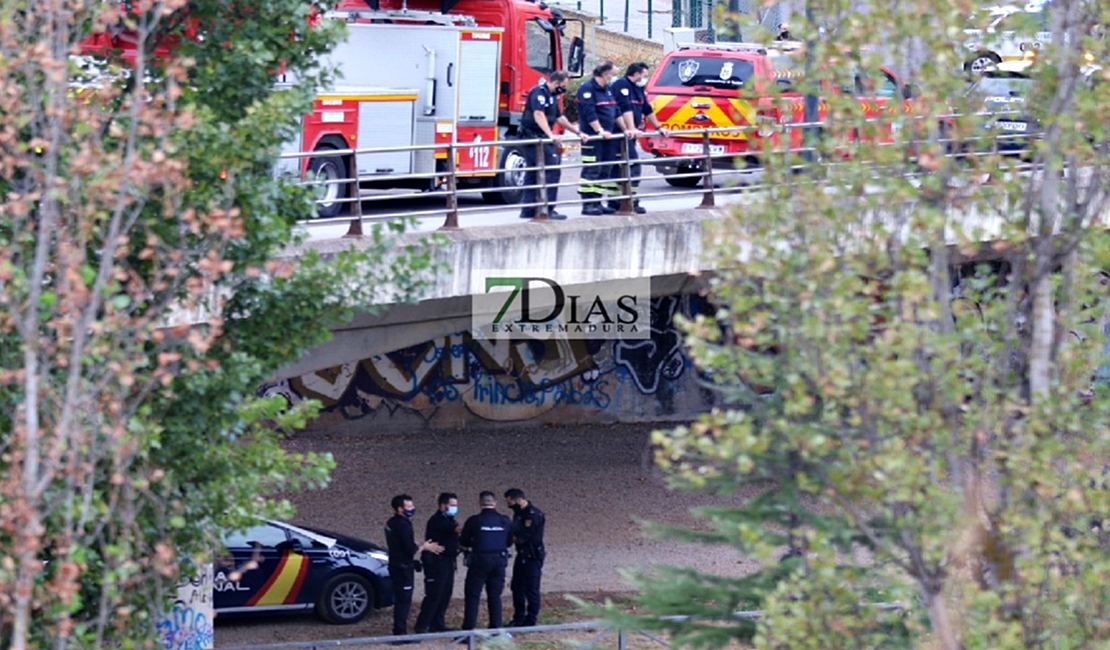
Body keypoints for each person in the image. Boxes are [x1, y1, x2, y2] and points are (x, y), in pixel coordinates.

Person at [518, 71, 582, 221]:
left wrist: (577, 131)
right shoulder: (538, 93)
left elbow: (559, 117)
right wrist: (550, 135)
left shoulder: (552, 96)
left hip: (541, 138)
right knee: (551, 171)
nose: (564, 89)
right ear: (556, 83)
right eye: (564, 86)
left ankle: (530, 208)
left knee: (534, 172)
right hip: (533, 137)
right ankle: (547, 208)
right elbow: (538, 114)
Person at [610, 62, 670, 215]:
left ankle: (622, 200)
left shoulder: (638, 89)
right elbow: (625, 108)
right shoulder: (621, 86)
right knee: (631, 166)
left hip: (629, 134)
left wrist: (659, 127)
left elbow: (646, 108)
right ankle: (624, 201)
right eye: (644, 75)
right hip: (619, 133)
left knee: (622, 167)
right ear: (636, 74)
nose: (645, 78)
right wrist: (630, 128)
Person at [384, 494, 444, 643]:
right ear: (400, 509)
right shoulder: (404, 525)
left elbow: (403, 544)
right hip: (403, 568)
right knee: (404, 601)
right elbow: (411, 549)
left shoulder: (391, 522)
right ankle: (400, 634)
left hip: (395, 564)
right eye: (409, 506)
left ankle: (400, 631)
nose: (412, 509)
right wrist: (425, 546)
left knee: (401, 599)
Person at [458, 491, 513, 631]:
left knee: (473, 596)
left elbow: (464, 541)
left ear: (480, 503)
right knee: (495, 596)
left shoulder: (474, 521)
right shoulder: (505, 520)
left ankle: (468, 630)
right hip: (499, 561)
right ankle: (496, 629)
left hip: (479, 561)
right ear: (495, 503)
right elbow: (508, 542)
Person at [576, 61, 624, 216]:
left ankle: (597, 201)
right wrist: (600, 130)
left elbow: (615, 111)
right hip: (593, 138)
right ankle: (588, 204)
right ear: (605, 74)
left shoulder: (607, 89)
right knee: (592, 169)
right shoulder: (587, 89)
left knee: (605, 170)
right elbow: (590, 112)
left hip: (608, 138)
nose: (613, 78)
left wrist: (626, 129)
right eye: (612, 75)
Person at [413, 492, 461, 634]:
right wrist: (476, 525)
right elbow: (456, 530)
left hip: (448, 562)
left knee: (445, 594)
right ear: (443, 505)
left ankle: (437, 624)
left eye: (456, 505)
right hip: (436, 563)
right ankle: (421, 626)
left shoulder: (451, 520)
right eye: (452, 505)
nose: (455, 508)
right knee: (434, 594)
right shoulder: (437, 520)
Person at [504, 488, 546, 628]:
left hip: (532, 556)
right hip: (521, 555)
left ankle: (531, 619)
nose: (510, 506)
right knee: (517, 587)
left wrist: (502, 538)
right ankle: (519, 617)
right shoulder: (518, 514)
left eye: (511, 502)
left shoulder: (532, 515)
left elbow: (523, 537)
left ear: (519, 500)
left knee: (531, 589)